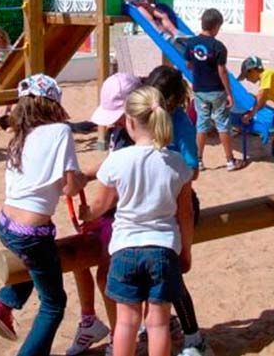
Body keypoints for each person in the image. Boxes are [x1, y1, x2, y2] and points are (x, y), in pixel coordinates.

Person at [80, 86, 195, 356]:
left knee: (126, 322)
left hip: (125, 248)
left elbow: (101, 205)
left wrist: (87, 214)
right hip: (163, 248)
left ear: (129, 121)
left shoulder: (117, 160)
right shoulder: (177, 163)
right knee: (158, 323)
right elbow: (185, 214)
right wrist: (186, 251)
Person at [0, 73, 88, 355]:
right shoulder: (60, 131)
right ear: (53, 104)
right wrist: (83, 179)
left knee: (35, 263)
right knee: (54, 303)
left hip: (5, 225)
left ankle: (4, 302)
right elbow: (68, 187)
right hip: (31, 232)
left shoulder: (20, 136)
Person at [65, 73, 142, 356]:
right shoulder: (121, 132)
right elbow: (112, 164)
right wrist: (86, 175)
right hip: (113, 212)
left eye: (118, 116)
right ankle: (90, 319)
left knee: (107, 278)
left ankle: (117, 336)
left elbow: (119, 186)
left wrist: (92, 212)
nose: (114, 122)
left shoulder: (138, 138)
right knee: (77, 254)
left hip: (124, 215)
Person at [144, 65, 207, 356]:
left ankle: (193, 337)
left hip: (174, 203)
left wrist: (166, 169)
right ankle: (162, 320)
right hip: (150, 203)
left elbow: (192, 170)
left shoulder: (179, 122)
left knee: (171, 276)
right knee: (151, 273)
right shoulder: (146, 116)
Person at [183, 8, 244, 171]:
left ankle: (198, 160)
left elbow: (188, 64)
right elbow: (222, 71)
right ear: (216, 26)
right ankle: (230, 160)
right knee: (222, 124)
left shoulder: (191, 43)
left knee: (201, 123)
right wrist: (229, 93)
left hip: (199, 90)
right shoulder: (218, 47)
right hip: (217, 90)